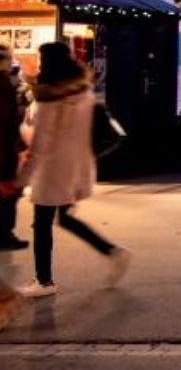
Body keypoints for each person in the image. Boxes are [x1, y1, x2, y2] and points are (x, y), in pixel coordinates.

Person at [17, 42, 130, 299]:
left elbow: (41, 144)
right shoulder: (83, 91)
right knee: (64, 218)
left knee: (42, 224)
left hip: (52, 170)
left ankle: (44, 281)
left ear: (49, 64)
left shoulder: (49, 101)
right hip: (77, 166)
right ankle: (112, 251)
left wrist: (21, 179)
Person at [0, 43, 29, 250]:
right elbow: (5, 119)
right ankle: (4, 234)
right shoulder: (3, 83)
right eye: (9, 58)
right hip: (3, 148)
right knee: (8, 192)